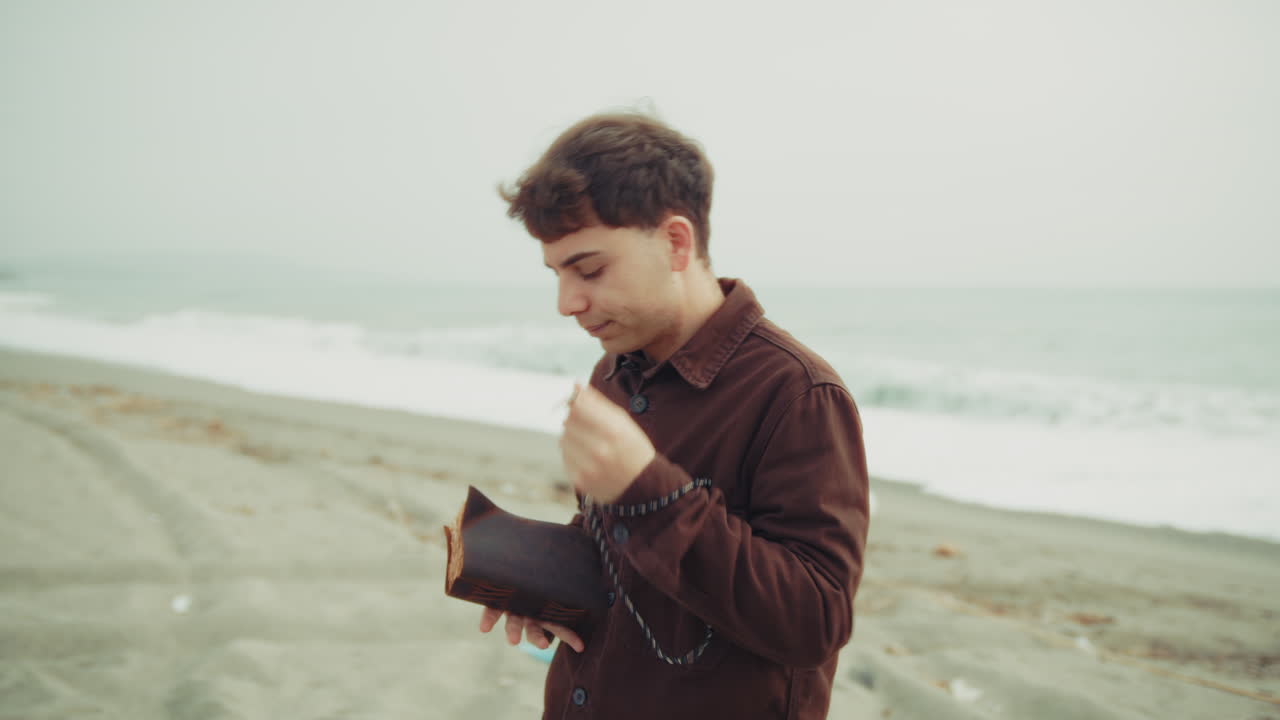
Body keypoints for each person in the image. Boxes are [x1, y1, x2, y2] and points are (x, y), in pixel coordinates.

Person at [481, 111, 870, 720]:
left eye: (590, 269)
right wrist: (544, 580)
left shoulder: (798, 393)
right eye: (557, 274)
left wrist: (650, 489)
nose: (567, 302)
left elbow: (817, 620)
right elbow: (620, 550)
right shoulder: (611, 372)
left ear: (676, 243)